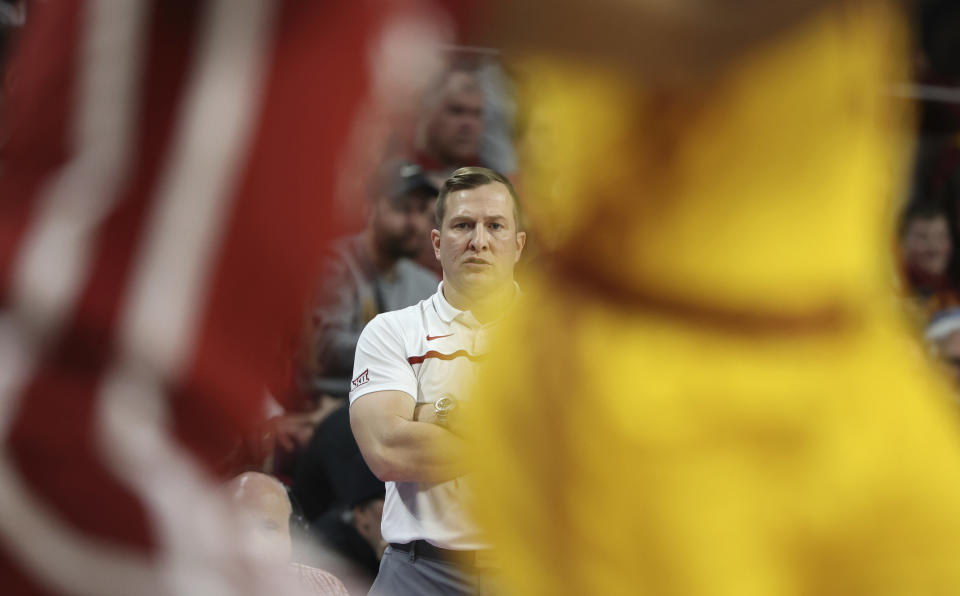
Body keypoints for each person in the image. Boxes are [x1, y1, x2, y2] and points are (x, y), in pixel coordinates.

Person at [349, 167, 525, 596]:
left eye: (495, 226)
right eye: (463, 225)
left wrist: (430, 413)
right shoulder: (392, 331)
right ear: (436, 242)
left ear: (518, 244)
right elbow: (387, 449)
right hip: (417, 573)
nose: (478, 241)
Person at [227, 472, 349, 596]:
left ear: (291, 533)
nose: (256, 542)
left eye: (269, 527)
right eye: (241, 528)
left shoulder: (326, 587)